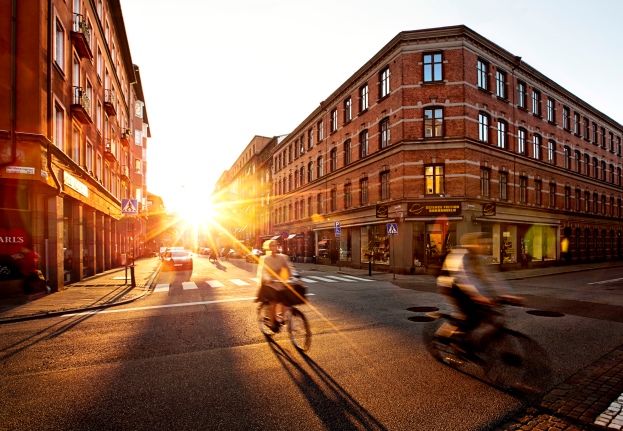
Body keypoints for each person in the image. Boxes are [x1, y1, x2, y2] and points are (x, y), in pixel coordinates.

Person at [437, 232, 522, 352]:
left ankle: (465, 331)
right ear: (473, 244)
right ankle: (457, 341)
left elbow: (492, 277)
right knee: (472, 315)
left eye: (487, 243)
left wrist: (507, 294)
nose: (485, 246)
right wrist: (478, 296)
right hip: (452, 287)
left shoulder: (480, 258)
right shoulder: (460, 256)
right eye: (482, 244)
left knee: (487, 313)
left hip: (471, 287)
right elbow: (464, 278)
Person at [256, 239, 295, 331]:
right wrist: (267, 278)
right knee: (273, 302)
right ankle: (273, 323)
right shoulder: (265, 258)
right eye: (272, 246)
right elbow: (264, 271)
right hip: (270, 284)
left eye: (275, 245)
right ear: (269, 248)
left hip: (280, 283)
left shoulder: (282, 257)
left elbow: (289, 268)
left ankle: (281, 317)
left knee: (287, 301)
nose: (274, 247)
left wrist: (294, 276)